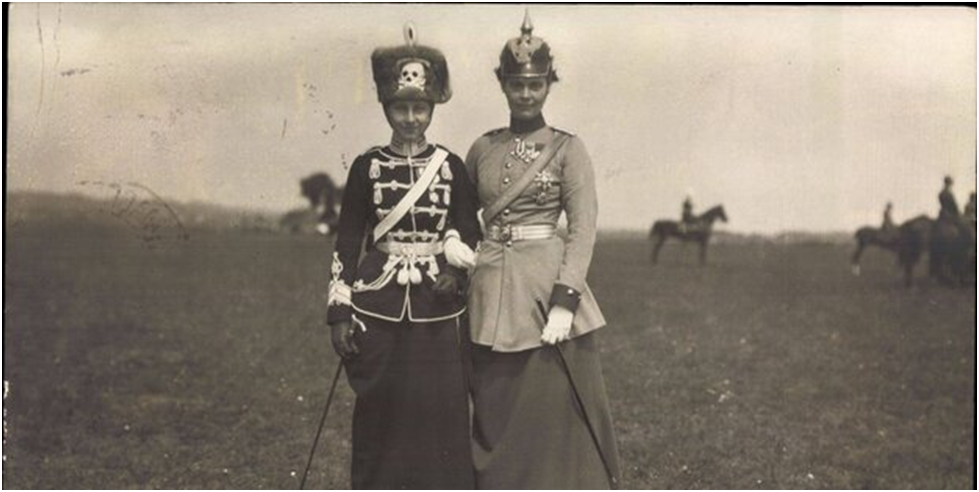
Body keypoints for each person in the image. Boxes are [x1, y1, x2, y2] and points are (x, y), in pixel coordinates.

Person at [455, 11, 621, 490]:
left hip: (546, 293)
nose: (525, 94)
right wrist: (454, 242)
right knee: (496, 408)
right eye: (516, 84)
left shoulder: (568, 149)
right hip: (490, 292)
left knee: (552, 413)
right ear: (502, 85)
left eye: (535, 84)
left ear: (549, 85)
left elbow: (582, 230)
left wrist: (565, 301)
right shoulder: (482, 148)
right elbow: (462, 216)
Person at [326, 23, 480, 490]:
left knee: (440, 410)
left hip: (437, 304)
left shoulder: (450, 166)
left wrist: (455, 272)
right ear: (385, 107)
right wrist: (339, 312)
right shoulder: (366, 166)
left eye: (420, 108)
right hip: (378, 304)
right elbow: (347, 240)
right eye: (400, 107)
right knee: (380, 409)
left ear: (432, 108)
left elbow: (469, 229)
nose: (411, 118)